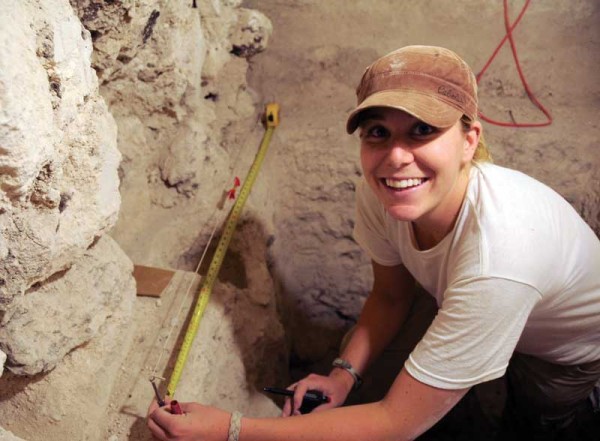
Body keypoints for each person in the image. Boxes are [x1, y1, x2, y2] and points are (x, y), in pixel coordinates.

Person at [147, 45, 600, 441]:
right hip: (479, 300)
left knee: (535, 420)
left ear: (469, 140)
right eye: (378, 132)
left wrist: (232, 430)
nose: (396, 157)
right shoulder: (384, 190)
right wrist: (342, 377)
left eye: (423, 130)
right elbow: (390, 296)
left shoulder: (499, 257)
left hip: (560, 351)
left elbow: (396, 424)